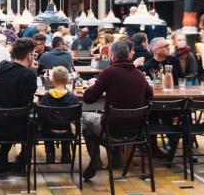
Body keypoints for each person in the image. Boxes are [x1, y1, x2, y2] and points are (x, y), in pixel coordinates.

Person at [81, 40, 153, 180]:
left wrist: (94, 85)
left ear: (112, 56)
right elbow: (150, 96)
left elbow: (88, 98)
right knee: (109, 119)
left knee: (84, 118)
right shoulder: (139, 75)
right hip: (136, 131)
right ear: (129, 55)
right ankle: (115, 156)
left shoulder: (108, 73)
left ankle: (96, 160)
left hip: (112, 129)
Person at [0, 38, 38, 173]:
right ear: (30, 56)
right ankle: (23, 162)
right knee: (33, 122)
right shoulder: (29, 74)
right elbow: (26, 104)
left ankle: (1, 160)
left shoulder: (3, 66)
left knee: (10, 114)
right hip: (15, 129)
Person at [38, 66, 78, 164]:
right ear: (68, 80)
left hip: (49, 132)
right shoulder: (72, 97)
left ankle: (50, 153)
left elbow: (41, 115)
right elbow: (76, 115)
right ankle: (66, 154)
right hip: (66, 132)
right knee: (65, 123)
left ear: (52, 80)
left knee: (45, 124)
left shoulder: (46, 96)